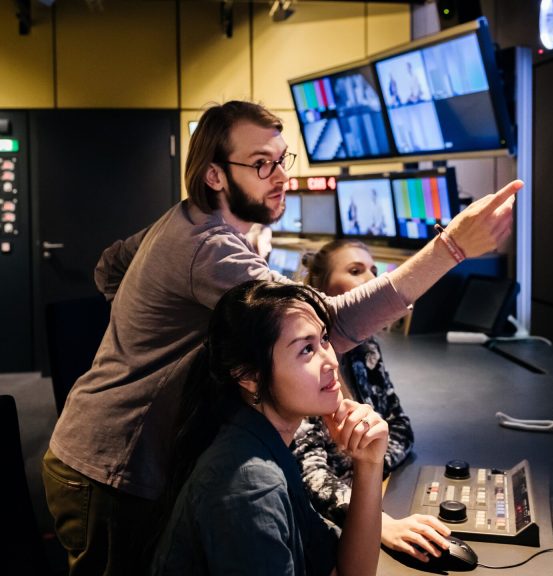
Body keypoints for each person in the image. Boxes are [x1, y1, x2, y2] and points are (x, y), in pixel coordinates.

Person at [42, 99, 521, 576]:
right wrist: (450, 248)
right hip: (112, 464)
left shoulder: (183, 220)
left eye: (281, 159)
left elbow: (109, 267)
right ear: (214, 175)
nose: (279, 175)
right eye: (260, 164)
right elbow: (325, 324)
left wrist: (143, 329)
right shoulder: (207, 248)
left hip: (117, 450)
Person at [151, 280, 387, 575]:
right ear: (249, 376)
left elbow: (351, 571)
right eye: (306, 350)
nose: (331, 361)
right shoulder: (250, 483)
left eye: (324, 340)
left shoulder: (266, 444)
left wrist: (368, 462)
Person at [294, 239, 450, 563]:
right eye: (355, 271)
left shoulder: (366, 350)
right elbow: (309, 476)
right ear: (321, 290)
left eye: (374, 271)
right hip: (318, 530)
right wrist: (379, 522)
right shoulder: (303, 368)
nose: (371, 280)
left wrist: (370, 466)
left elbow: (401, 429)